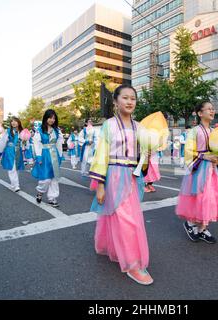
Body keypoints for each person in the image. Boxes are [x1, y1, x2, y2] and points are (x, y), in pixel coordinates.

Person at [89, 84, 153, 286]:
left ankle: (116, 249)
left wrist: (148, 155)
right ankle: (132, 263)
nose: (130, 102)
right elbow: (101, 155)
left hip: (133, 178)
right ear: (116, 102)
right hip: (114, 176)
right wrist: (100, 184)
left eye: (133, 98)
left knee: (128, 218)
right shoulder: (109, 125)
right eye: (125, 98)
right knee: (126, 220)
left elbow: (143, 156)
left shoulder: (140, 127)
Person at [176, 101, 218, 244]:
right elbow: (188, 151)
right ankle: (190, 223)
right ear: (200, 113)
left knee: (210, 197)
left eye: (213, 109)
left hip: (211, 169)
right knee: (197, 195)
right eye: (209, 109)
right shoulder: (194, 131)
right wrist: (204, 156)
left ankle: (203, 228)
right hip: (199, 167)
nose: (212, 111)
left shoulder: (214, 132)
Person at [31, 109, 64, 207]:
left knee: (54, 178)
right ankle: (40, 192)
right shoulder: (40, 130)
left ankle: (52, 198)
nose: (52, 120)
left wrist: (60, 156)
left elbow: (59, 144)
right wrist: (39, 157)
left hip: (54, 155)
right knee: (45, 178)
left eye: (54, 118)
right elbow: (37, 144)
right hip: (44, 155)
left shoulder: (57, 130)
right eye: (50, 117)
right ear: (46, 118)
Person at [0, 117, 25, 192]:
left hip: (18, 151)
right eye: (12, 121)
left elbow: (25, 142)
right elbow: (3, 141)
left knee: (17, 168)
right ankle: (15, 185)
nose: (13, 123)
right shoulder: (8, 131)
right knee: (12, 168)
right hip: (10, 151)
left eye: (15, 121)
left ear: (18, 122)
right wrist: (0, 151)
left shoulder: (22, 131)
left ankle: (14, 184)